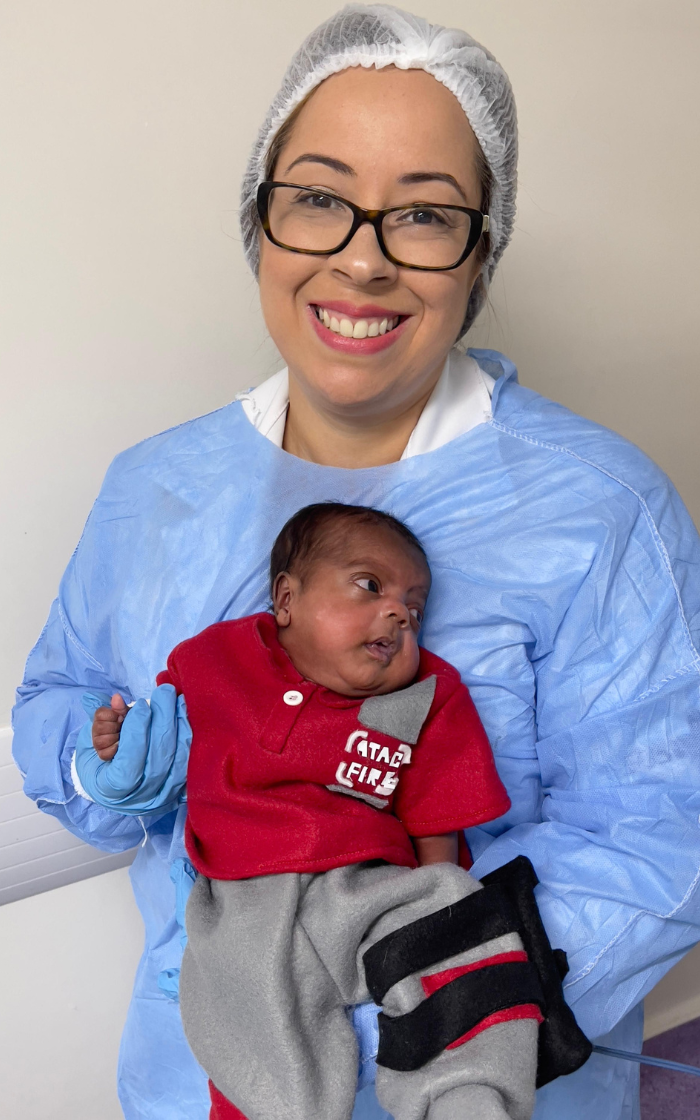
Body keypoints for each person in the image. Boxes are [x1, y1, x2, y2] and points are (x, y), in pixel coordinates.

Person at [12, 5, 700, 1120]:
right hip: (201, 1068)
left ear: (481, 250)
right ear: (260, 220)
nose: (363, 258)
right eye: (318, 198)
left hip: (480, 1066)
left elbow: (663, 828)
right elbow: (58, 700)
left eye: (424, 214)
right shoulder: (156, 492)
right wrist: (103, 762)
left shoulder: (601, 510)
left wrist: (418, 995)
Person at [88, 501, 543, 1120]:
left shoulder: (428, 694)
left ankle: (468, 1102)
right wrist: (121, 743)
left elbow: (441, 814)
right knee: (247, 1018)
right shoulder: (214, 659)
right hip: (244, 893)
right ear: (286, 600)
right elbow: (161, 744)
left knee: (464, 937)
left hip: (370, 885)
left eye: (414, 611)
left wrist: (438, 900)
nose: (397, 615)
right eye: (370, 586)